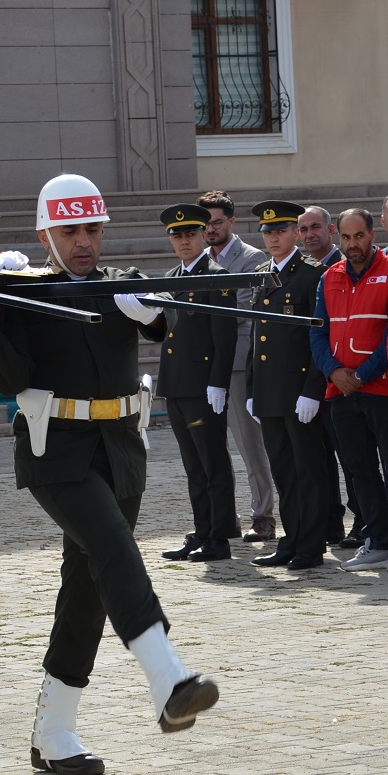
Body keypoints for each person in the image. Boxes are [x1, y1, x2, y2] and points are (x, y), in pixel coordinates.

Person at [0, 173, 218, 775]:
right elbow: (10, 378)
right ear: (44, 234)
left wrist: (152, 314)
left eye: (92, 230)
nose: (83, 242)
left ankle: (53, 732)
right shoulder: (23, 292)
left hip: (119, 449)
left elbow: (161, 321)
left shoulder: (122, 285)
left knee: (85, 590)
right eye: (70, 230)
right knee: (113, 548)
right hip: (55, 451)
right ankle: (167, 675)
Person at [310, 208, 388, 572]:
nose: (352, 244)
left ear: (373, 234)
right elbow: (317, 331)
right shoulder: (329, 277)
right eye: (346, 237)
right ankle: (376, 539)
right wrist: (333, 371)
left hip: (382, 389)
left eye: (359, 236)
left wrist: (363, 374)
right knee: (359, 469)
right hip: (341, 391)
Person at [246, 200, 332, 570]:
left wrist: (313, 389)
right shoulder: (262, 272)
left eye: (281, 230)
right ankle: (291, 540)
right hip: (270, 393)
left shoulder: (312, 274)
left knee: (308, 472)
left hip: (299, 393)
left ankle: (311, 546)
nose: (274, 237)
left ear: (296, 233)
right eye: (268, 232)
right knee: (283, 472)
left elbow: (319, 336)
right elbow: (256, 335)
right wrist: (252, 389)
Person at [151, 203, 238, 563]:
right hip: (177, 385)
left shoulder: (216, 275)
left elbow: (225, 335)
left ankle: (219, 537)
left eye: (190, 234)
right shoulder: (173, 275)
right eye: (177, 236)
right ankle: (202, 531)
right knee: (193, 466)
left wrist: (218, 383)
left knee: (213, 464)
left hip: (203, 387)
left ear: (205, 234)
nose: (184, 241)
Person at [200, 191, 277, 541]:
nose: (210, 229)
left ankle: (263, 515)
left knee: (249, 444)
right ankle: (223, 518)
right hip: (203, 364)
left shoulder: (251, 258)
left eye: (217, 222)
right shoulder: (199, 259)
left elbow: (241, 312)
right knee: (210, 448)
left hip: (237, 364)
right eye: (205, 223)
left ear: (231, 222)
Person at [297, 203, 358, 543]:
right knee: (321, 460)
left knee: (351, 459)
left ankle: (362, 520)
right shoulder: (305, 270)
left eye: (316, 227)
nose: (310, 234)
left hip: (341, 378)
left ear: (331, 230)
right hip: (314, 379)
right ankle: (332, 522)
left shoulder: (342, 266)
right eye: (303, 229)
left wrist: (331, 374)